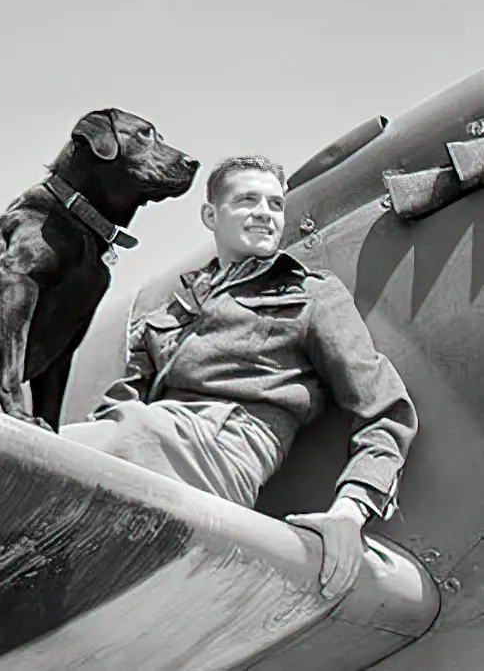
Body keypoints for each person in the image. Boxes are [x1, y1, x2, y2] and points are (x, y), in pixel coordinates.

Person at [61, 155, 418, 600]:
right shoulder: (169, 313)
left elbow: (387, 412)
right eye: (248, 200)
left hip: (222, 454)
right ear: (211, 215)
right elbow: (117, 405)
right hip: (140, 440)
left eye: (275, 203)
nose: (265, 213)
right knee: (57, 458)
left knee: (41, 463)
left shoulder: (310, 295)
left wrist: (350, 512)